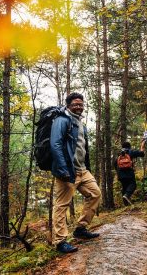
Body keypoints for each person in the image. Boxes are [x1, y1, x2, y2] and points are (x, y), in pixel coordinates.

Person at [50, 92, 101, 254]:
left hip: (82, 170)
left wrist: (87, 167)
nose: (78, 106)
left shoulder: (80, 123)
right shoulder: (62, 120)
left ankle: (80, 228)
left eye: (80, 104)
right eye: (75, 104)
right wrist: (63, 168)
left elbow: (82, 148)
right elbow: (55, 144)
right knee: (61, 205)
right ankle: (60, 241)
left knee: (95, 194)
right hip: (66, 171)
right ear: (68, 105)